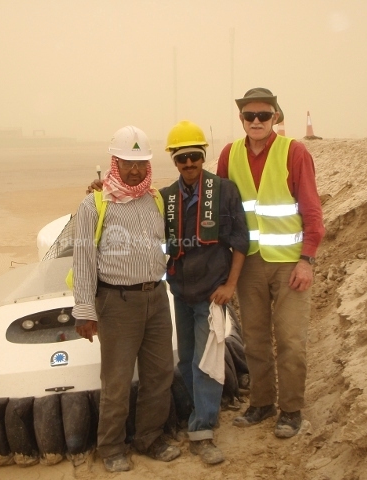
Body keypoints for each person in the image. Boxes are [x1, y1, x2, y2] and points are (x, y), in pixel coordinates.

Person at [216, 88, 325, 438]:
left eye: (264, 115)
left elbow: (311, 210)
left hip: (290, 264)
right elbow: (215, 204)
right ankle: (262, 404)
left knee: (291, 339)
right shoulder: (229, 154)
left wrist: (307, 260)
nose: (257, 121)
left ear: (276, 116)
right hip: (247, 263)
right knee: (256, 340)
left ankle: (291, 410)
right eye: (250, 116)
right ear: (241, 120)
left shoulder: (294, 152)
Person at [72, 125, 181, 472]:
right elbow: (83, 260)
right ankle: (112, 447)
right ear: (114, 162)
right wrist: (85, 311)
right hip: (116, 304)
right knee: (117, 381)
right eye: (127, 162)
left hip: (157, 299)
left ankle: (149, 438)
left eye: (141, 163)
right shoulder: (94, 204)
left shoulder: (156, 200)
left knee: (159, 374)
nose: (135, 170)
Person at [162, 120, 249, 465]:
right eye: (182, 158)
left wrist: (230, 286)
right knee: (185, 360)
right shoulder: (166, 198)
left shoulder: (225, 191)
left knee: (207, 362)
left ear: (203, 156)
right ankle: (195, 414)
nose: (189, 164)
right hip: (181, 293)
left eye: (195, 157)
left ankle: (204, 430)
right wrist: (99, 189)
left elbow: (241, 241)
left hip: (213, 294)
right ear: (174, 160)